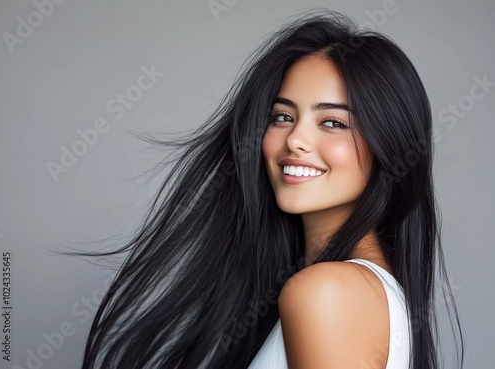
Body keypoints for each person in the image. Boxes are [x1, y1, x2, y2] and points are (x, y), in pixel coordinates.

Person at [77, 9, 464, 369]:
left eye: (332, 123)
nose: (295, 139)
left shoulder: (327, 292)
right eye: (283, 116)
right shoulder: (364, 291)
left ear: (390, 144)